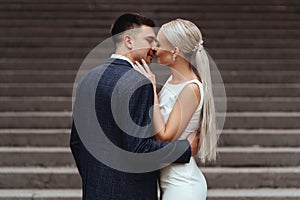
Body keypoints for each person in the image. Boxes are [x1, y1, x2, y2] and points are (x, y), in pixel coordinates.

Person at [70, 13, 200, 200]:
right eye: (149, 40)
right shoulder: (138, 83)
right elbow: (139, 149)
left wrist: (96, 179)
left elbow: (76, 142)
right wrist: (184, 148)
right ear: (129, 41)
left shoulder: (87, 79)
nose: (154, 48)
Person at [135, 19, 218, 200]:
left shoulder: (190, 88)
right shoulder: (173, 83)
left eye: (159, 43)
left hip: (182, 186)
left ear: (175, 51)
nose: (154, 48)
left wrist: (151, 90)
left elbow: (165, 136)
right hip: (170, 183)